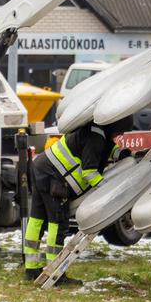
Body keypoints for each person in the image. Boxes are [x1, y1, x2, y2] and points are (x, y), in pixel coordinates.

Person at [23, 117, 132, 285]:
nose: (121, 135)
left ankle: (31, 268)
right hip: (55, 178)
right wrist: (106, 189)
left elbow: (104, 149)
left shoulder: (95, 130)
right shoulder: (96, 138)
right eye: (120, 131)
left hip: (41, 167)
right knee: (57, 225)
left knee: (37, 221)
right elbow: (89, 173)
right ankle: (55, 273)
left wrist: (120, 153)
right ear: (113, 126)